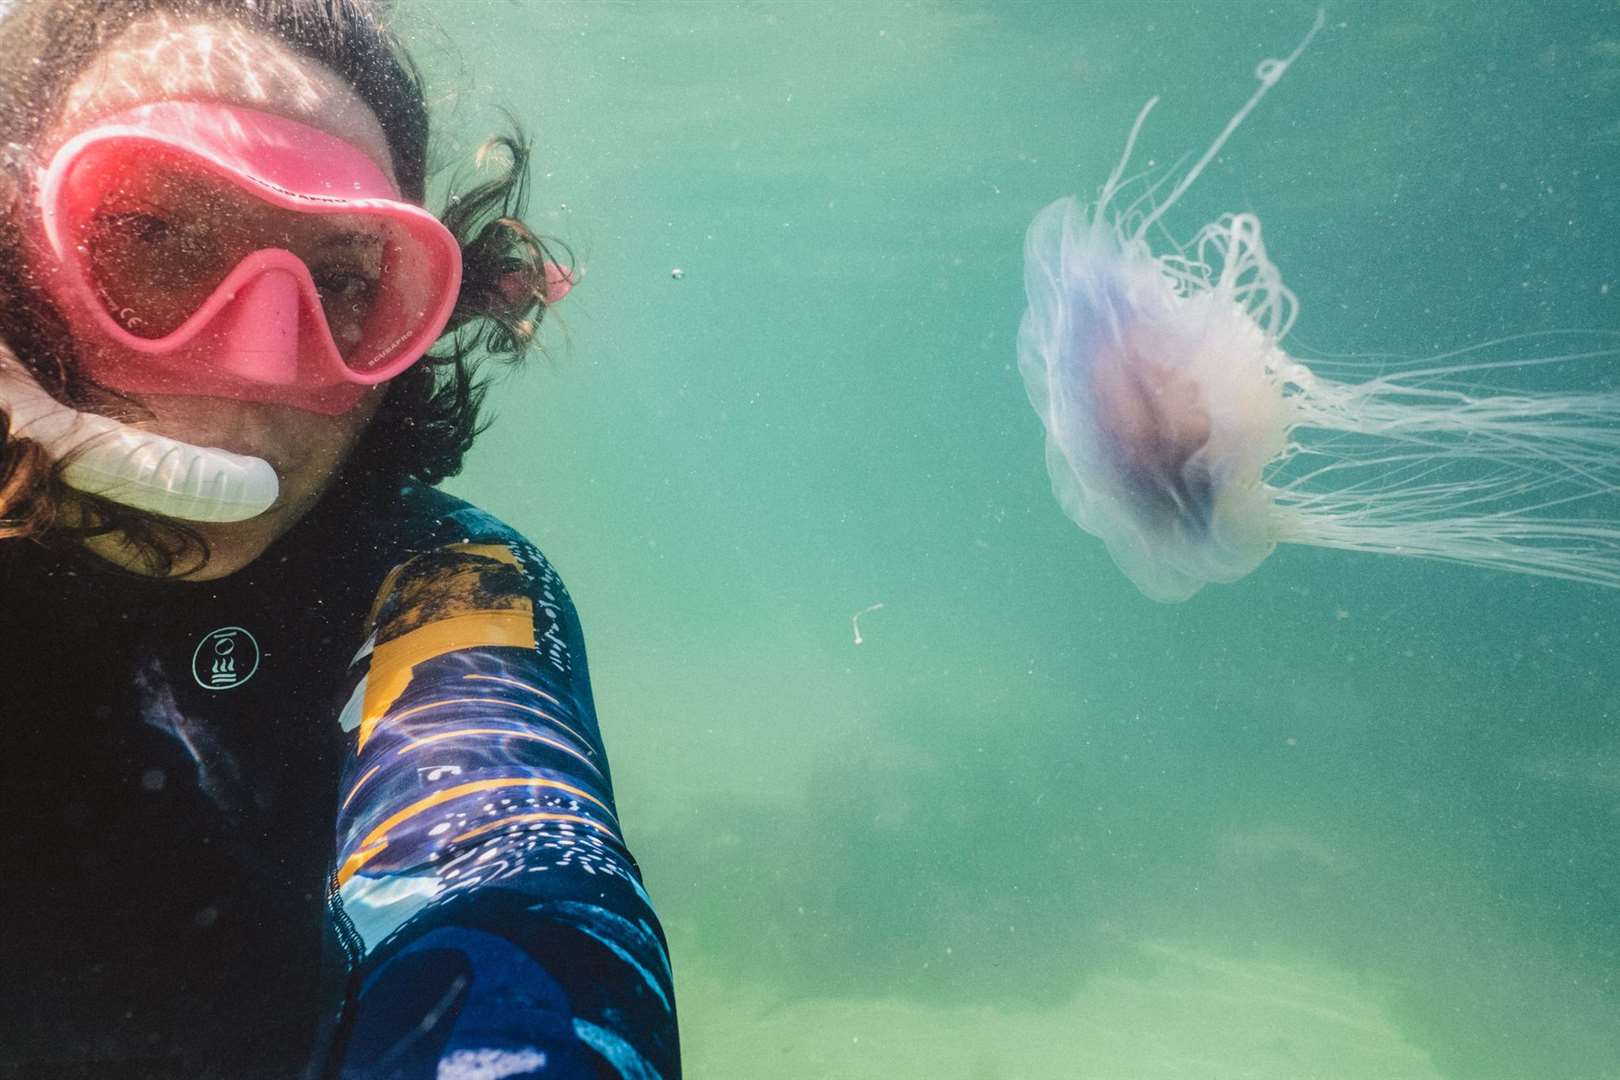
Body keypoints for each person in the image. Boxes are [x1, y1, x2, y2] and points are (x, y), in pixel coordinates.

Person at [0, 2, 680, 1078]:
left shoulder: (439, 585)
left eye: (346, 280)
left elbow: (517, 875)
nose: (266, 363)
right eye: (148, 235)